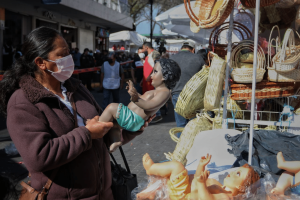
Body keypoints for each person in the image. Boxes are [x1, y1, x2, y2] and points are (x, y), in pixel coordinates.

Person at [0, 26, 152, 200]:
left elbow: (106, 134)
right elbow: (38, 156)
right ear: (41, 63)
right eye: (62, 54)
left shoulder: (76, 88)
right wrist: (86, 134)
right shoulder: (23, 102)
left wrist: (135, 125)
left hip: (104, 194)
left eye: (69, 52)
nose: (69, 59)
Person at [99, 58, 181, 152]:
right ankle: (116, 141)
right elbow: (142, 99)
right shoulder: (157, 91)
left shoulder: (165, 92)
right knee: (115, 126)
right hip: (131, 118)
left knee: (112, 107)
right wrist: (133, 92)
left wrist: (135, 98)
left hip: (133, 119)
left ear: (164, 76)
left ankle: (97, 124)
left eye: (155, 72)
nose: (151, 75)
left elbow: (149, 105)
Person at [137, 153, 260, 200]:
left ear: (242, 187)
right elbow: (197, 179)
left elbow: (206, 198)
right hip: (182, 190)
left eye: (237, 174)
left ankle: (151, 169)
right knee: (163, 180)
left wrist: (201, 183)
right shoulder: (220, 186)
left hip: (182, 196)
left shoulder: (226, 197)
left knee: (177, 167)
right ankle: (150, 194)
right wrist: (201, 167)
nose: (232, 172)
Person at [170, 40, 205, 129]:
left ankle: (180, 142)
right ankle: (193, 143)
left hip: (177, 94)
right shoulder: (198, 58)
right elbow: (205, 75)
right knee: (194, 125)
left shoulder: (172, 58)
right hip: (194, 95)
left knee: (181, 125)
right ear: (193, 49)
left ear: (181, 48)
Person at [142, 43, 163, 123]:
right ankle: (152, 115)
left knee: (153, 98)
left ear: (146, 47)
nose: (142, 50)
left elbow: (156, 66)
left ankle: (157, 115)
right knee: (149, 97)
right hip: (147, 81)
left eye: (143, 48)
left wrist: (149, 75)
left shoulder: (155, 54)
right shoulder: (149, 55)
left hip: (152, 81)